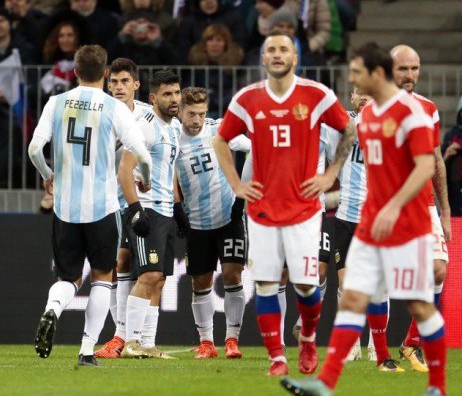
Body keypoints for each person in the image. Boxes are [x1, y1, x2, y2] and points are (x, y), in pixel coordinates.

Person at [281, 44, 447, 396]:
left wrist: (394, 206)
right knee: (354, 297)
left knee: (419, 304)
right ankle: (326, 383)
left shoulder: (413, 114)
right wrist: (330, 178)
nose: (353, 80)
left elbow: (425, 167)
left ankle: (438, 385)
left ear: (376, 73)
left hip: (407, 222)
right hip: (370, 221)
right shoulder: (367, 117)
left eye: (358, 72)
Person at [212, 31, 355, 376]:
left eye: (284, 49)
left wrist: (330, 174)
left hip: (304, 209)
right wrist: (236, 185)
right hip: (262, 210)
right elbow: (220, 140)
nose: (277, 54)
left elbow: (349, 130)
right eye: (271, 49)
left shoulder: (317, 95)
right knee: (265, 283)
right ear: (263, 58)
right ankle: (277, 358)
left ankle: (308, 337)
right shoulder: (247, 99)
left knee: (306, 285)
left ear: (295, 58)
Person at [27, 45, 151, 367]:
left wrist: (47, 174)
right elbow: (141, 152)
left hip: (65, 208)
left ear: (75, 72)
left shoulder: (56, 103)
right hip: (102, 209)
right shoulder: (114, 107)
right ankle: (86, 350)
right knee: (102, 278)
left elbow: (34, 148)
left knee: (68, 279)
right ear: (106, 74)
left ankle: (53, 309)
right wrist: (145, 178)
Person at [324, 79, 402, 370]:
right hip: (346, 217)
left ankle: (375, 346)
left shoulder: (388, 126)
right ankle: (352, 344)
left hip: (377, 218)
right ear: (352, 97)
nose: (365, 98)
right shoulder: (342, 124)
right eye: (360, 94)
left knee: (379, 286)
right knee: (346, 283)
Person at [175, 87, 250, 359]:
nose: (197, 120)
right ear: (180, 111)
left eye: (201, 113)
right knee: (200, 282)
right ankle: (206, 342)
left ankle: (232, 340)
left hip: (229, 218)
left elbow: (254, 148)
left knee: (232, 275)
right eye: (191, 114)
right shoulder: (172, 137)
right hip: (196, 223)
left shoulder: (219, 129)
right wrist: (177, 210)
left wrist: (241, 193)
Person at [390, 45, 451, 372]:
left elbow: (437, 161)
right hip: (391, 206)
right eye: (403, 68)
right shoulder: (377, 110)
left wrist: (445, 210)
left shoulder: (429, 109)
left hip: (424, 204)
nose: (410, 75)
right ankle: (378, 352)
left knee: (439, 270)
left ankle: (411, 343)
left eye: (414, 68)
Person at [119, 69, 184, 360]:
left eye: (177, 93)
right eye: (167, 94)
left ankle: (147, 343)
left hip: (165, 210)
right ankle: (130, 341)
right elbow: (124, 171)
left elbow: (169, 171)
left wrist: (178, 209)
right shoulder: (144, 126)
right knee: (149, 275)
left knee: (160, 280)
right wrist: (136, 210)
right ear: (154, 98)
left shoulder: (174, 128)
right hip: (147, 210)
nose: (174, 99)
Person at [94, 57, 153, 359]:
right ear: (107, 84)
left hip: (140, 201)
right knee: (114, 268)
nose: (119, 87)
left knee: (140, 268)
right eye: (114, 81)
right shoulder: (99, 114)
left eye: (124, 81)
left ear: (136, 84)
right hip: (106, 202)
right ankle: (123, 335)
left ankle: (130, 337)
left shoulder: (147, 116)